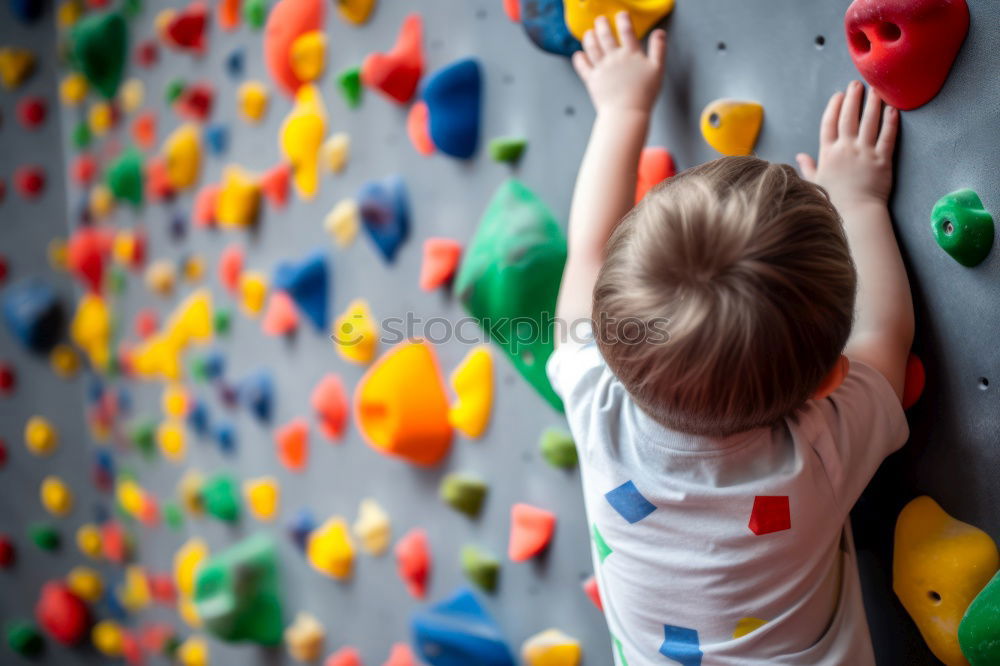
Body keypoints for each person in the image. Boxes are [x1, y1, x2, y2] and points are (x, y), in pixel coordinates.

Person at [548, 11, 913, 664]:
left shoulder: (592, 397)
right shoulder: (814, 456)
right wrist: (858, 199)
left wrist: (622, 107)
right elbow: (887, 337)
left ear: (608, 338)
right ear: (831, 380)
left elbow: (584, 250)